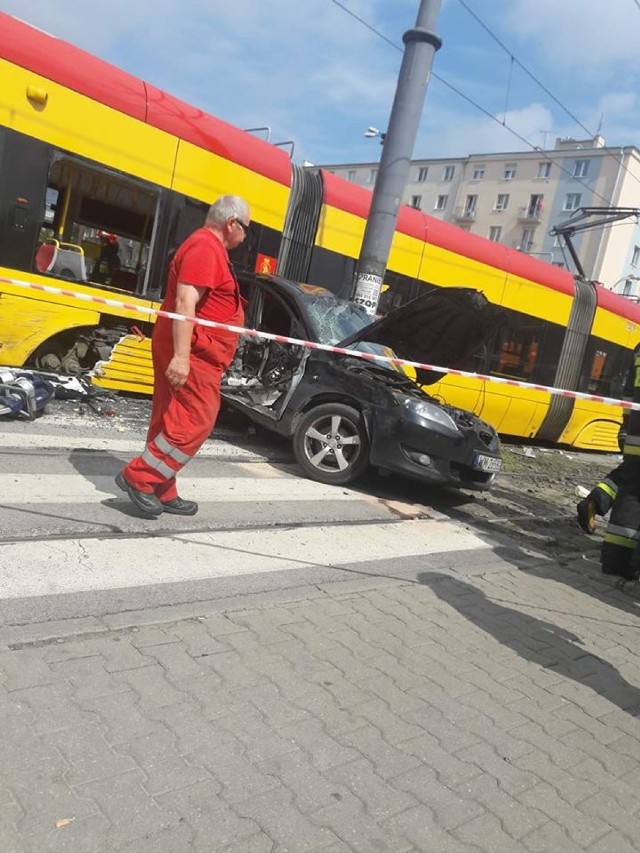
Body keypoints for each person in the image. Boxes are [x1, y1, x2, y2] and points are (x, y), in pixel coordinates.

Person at [116, 195, 250, 517]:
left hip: (192, 346)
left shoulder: (207, 247)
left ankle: (163, 488)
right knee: (197, 418)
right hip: (196, 349)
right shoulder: (206, 248)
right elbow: (185, 303)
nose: (246, 237)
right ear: (231, 224)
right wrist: (182, 357)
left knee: (169, 418)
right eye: (247, 229)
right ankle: (140, 476)